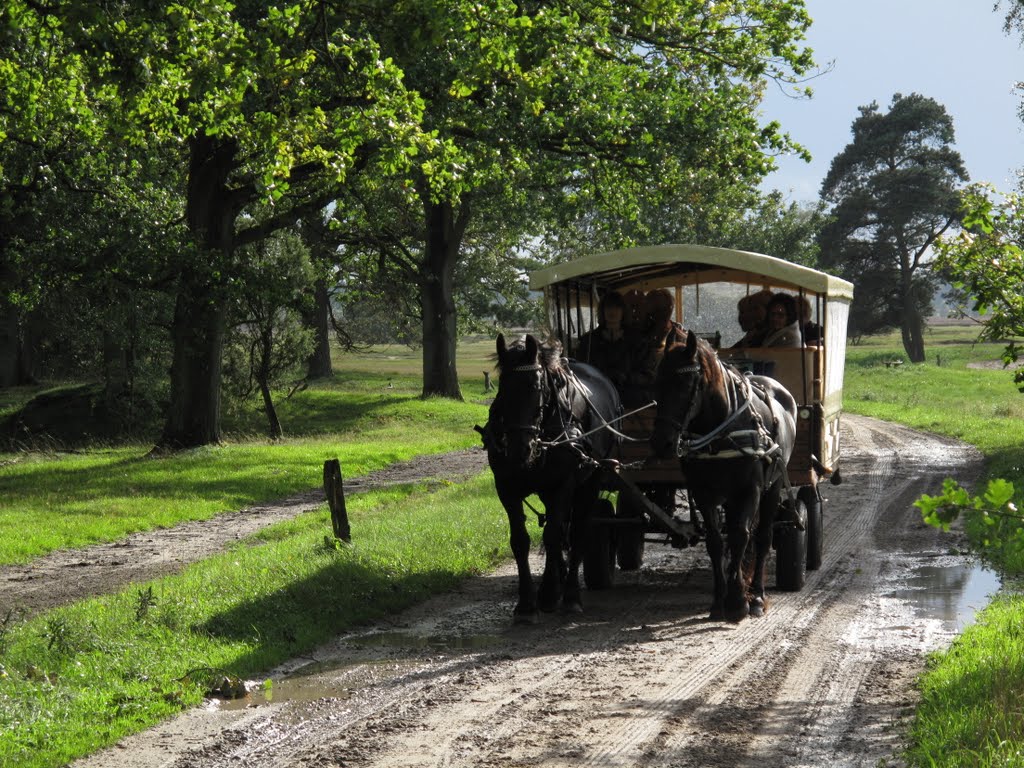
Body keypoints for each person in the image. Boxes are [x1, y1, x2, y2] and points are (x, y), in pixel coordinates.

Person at [628, 288, 686, 403]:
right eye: (656, 313)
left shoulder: (680, 336)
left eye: (663, 312)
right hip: (640, 395)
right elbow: (630, 370)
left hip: (670, 397)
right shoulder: (636, 337)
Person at [577, 291, 631, 389]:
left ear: (623, 311)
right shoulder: (588, 341)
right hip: (597, 392)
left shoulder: (636, 340)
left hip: (629, 393)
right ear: (602, 311)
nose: (612, 311)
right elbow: (581, 370)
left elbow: (647, 374)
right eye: (608, 307)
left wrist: (626, 377)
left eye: (617, 307)